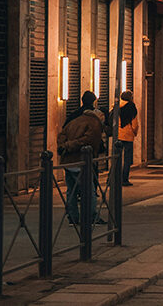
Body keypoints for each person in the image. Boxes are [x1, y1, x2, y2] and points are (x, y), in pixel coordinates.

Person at [57, 92, 106, 225]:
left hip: (68, 161)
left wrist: (63, 146)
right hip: (82, 161)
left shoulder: (73, 118)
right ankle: (91, 216)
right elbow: (89, 140)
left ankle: (72, 217)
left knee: (71, 190)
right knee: (89, 190)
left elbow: (62, 134)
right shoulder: (94, 122)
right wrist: (69, 146)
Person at [118, 90, 139, 186]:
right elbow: (134, 124)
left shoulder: (116, 106)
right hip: (128, 135)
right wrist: (134, 132)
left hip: (118, 135)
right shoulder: (131, 107)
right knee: (127, 159)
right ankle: (124, 179)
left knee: (116, 158)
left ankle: (112, 179)